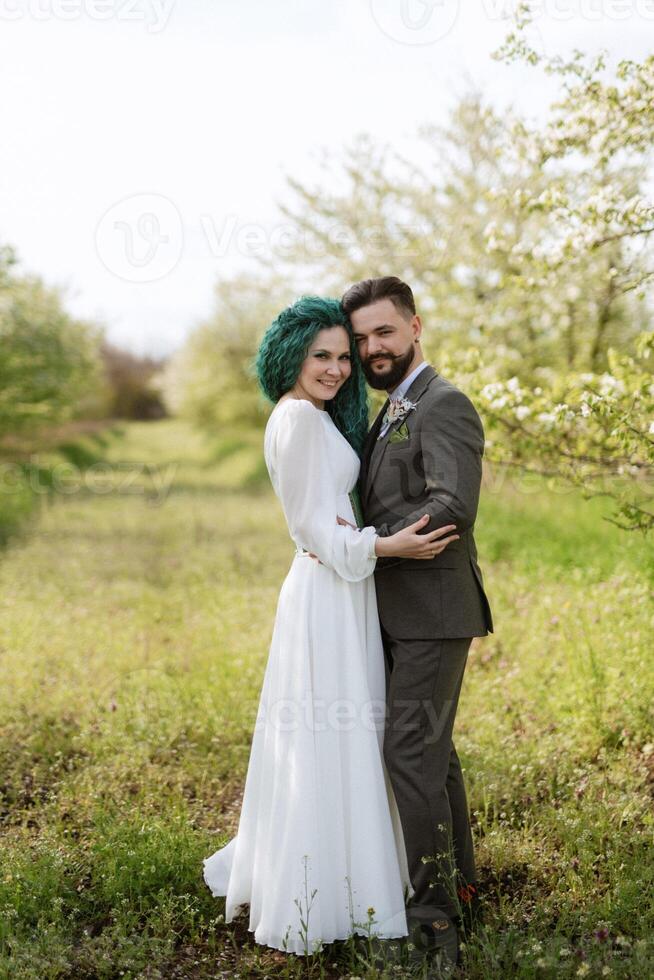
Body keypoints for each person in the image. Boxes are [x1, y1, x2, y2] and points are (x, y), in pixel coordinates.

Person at [202, 296, 459, 957]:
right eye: (322, 355)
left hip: (345, 589)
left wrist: (364, 545)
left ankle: (360, 877)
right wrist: (383, 547)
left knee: (351, 736)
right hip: (327, 590)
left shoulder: (316, 418)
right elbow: (310, 528)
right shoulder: (293, 420)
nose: (338, 368)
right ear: (290, 355)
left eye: (344, 356)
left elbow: (330, 512)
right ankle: (324, 894)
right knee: (325, 734)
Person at [342, 275, 494, 970]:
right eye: (362, 337)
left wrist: (376, 543)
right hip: (397, 609)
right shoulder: (391, 408)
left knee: (408, 758)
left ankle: (435, 928)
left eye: (385, 332)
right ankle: (462, 887)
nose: (373, 347)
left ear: (416, 327)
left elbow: (451, 505)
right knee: (436, 759)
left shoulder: (443, 403)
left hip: (431, 609)